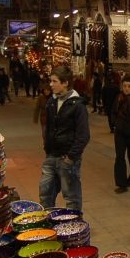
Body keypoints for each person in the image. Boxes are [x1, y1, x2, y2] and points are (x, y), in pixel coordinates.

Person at [39, 66, 90, 211]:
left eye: (54, 81)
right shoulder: (51, 102)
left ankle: (74, 227)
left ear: (65, 83)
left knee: (71, 197)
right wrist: (47, 148)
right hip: (51, 156)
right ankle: (48, 224)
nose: (51, 84)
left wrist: (71, 157)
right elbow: (49, 129)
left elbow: (84, 135)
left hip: (67, 158)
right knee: (45, 194)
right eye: (51, 81)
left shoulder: (77, 105)